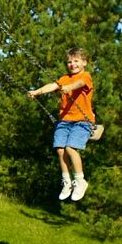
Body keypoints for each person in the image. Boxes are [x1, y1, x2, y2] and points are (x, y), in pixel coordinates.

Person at [27, 47, 95, 201]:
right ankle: (67, 182)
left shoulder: (86, 76)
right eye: (69, 62)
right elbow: (52, 86)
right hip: (64, 121)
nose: (72, 64)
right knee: (60, 150)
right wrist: (37, 92)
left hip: (82, 121)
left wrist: (68, 88)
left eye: (76, 61)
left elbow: (79, 84)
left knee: (71, 148)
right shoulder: (64, 78)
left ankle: (80, 180)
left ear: (84, 62)